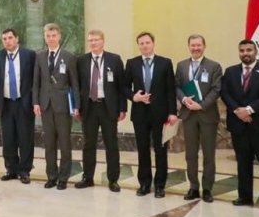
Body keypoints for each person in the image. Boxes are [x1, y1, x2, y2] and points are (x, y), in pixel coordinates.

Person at [222, 39, 259, 212]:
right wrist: (238, 111)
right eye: (242, 50)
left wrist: (249, 110)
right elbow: (225, 93)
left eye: (249, 50)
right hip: (239, 125)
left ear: (255, 52)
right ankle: (245, 196)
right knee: (243, 162)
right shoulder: (231, 71)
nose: (245, 53)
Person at [124, 32, 177, 198]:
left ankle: (160, 185)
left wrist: (172, 112)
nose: (144, 46)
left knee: (160, 150)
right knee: (142, 149)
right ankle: (144, 184)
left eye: (147, 42)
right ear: (138, 45)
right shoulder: (132, 63)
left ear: (153, 44)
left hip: (160, 114)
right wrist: (134, 97)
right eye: (141, 43)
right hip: (140, 113)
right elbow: (124, 86)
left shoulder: (165, 63)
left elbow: (170, 89)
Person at [75, 29, 127, 192]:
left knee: (111, 144)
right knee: (88, 144)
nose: (93, 43)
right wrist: (76, 107)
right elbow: (77, 86)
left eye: (96, 40)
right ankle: (87, 177)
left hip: (108, 107)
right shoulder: (81, 60)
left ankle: (113, 180)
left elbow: (121, 86)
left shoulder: (114, 59)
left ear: (103, 41)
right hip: (89, 107)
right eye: (90, 40)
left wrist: (122, 108)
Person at [174, 34, 223, 202]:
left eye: (198, 45)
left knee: (209, 154)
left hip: (207, 115)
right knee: (190, 154)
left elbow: (216, 90)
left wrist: (201, 105)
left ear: (204, 46)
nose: (195, 48)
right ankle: (193, 187)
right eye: (193, 45)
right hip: (188, 115)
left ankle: (207, 188)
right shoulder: (181, 65)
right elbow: (176, 86)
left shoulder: (214, 66)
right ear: (189, 46)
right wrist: (184, 99)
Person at [32, 23, 80, 190]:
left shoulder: (69, 57)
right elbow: (36, 82)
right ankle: (51, 176)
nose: (51, 39)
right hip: (46, 105)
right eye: (48, 36)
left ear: (59, 36)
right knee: (49, 144)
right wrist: (35, 102)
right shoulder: (39, 56)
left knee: (65, 144)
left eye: (53, 35)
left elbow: (74, 83)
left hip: (63, 106)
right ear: (44, 37)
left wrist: (77, 105)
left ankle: (63, 177)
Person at [0, 28, 36, 184]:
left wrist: (34, 101)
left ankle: (24, 170)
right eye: (4, 39)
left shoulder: (29, 55)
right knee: (8, 137)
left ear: (17, 38)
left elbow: (35, 80)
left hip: (24, 103)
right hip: (6, 103)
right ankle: (11, 169)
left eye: (10, 38)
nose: (7, 41)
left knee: (25, 138)